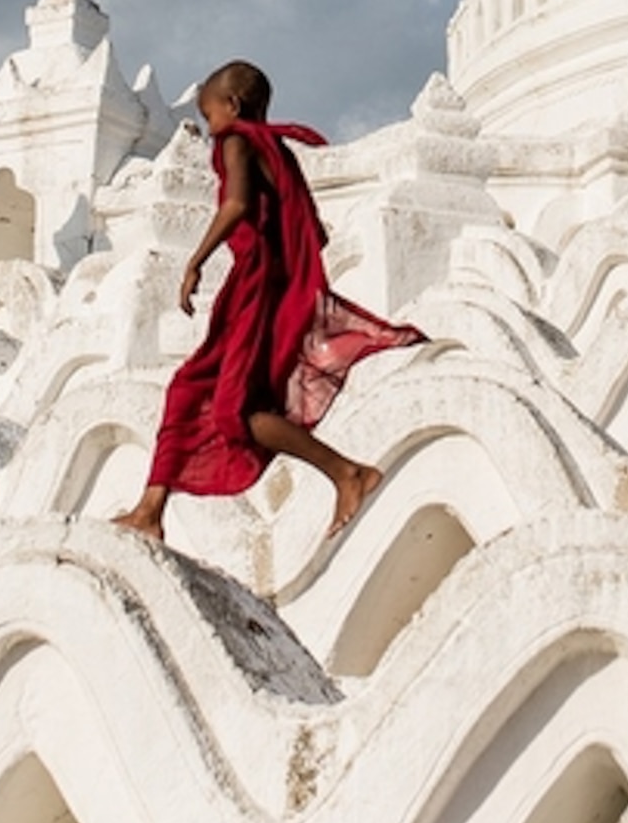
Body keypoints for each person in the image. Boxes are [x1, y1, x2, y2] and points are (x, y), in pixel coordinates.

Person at [113, 61, 424, 542]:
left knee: (233, 413)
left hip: (257, 288)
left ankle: (346, 473)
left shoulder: (237, 140)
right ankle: (150, 511)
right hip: (260, 285)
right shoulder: (275, 150)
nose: (209, 126)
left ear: (232, 107)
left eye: (208, 114)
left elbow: (235, 204)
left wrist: (195, 261)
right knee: (187, 388)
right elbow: (310, 229)